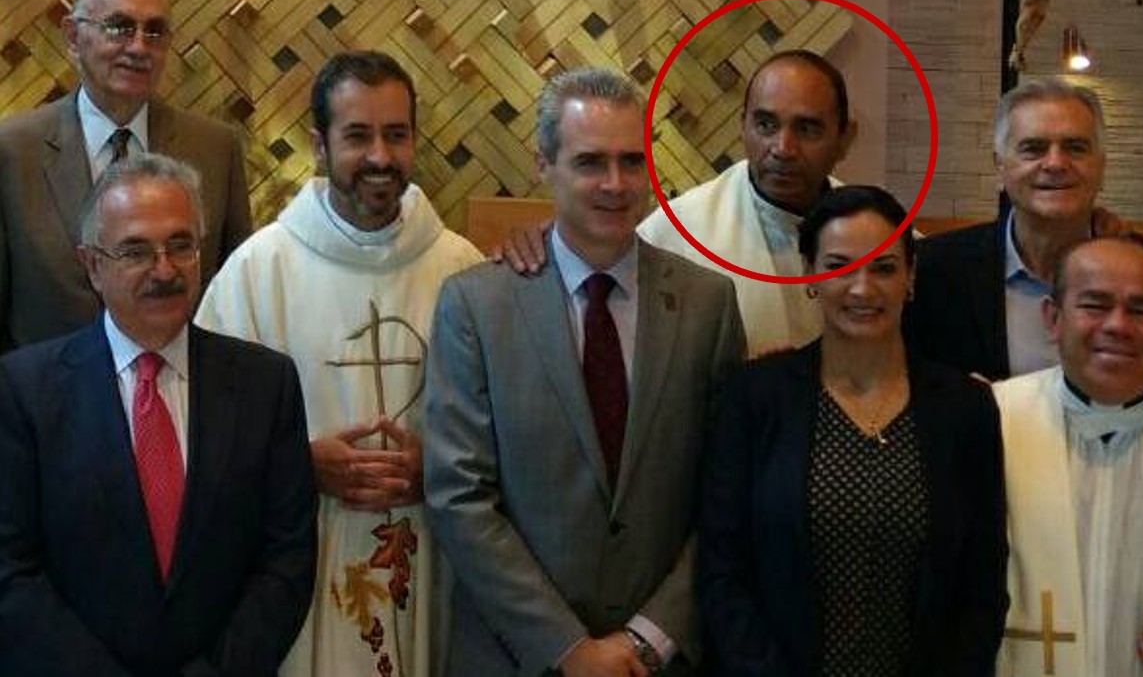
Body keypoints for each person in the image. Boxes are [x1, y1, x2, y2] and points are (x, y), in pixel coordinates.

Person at [424, 67, 746, 677]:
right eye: (590, 162)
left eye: (632, 161)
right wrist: (569, 649)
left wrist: (650, 637)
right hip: (517, 657)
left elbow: (727, 495)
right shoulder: (475, 306)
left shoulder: (708, 305)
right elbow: (459, 494)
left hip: (660, 661)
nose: (615, 184)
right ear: (543, 164)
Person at [195, 50, 482, 677]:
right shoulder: (258, 272)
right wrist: (298, 465)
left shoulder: (462, 269)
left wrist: (438, 466)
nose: (380, 156)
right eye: (357, 136)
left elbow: (506, 428)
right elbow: (205, 433)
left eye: (396, 134)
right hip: (300, 560)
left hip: (430, 556)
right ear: (319, 145)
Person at [0, 153, 315, 677]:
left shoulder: (267, 384)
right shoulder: (23, 391)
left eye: (180, 245)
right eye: (136, 251)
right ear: (92, 265)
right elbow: (11, 572)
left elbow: (287, 559)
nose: (164, 270)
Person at [701, 185, 1008, 676]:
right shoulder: (755, 398)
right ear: (810, 274)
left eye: (883, 268)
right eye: (840, 267)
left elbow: (982, 586)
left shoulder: (964, 409)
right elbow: (723, 572)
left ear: (911, 276)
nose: (862, 288)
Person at [505, 50, 855, 357]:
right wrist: (546, 241)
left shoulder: (871, 229)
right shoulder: (677, 230)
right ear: (743, 126)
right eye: (765, 124)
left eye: (807, 129)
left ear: (844, 138)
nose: (783, 148)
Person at [0, 0, 251, 353]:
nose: (138, 47)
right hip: (46, 387)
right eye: (119, 28)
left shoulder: (215, 149)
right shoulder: (13, 151)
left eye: (155, 32)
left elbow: (234, 298)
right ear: (73, 36)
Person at [907, 77, 1143, 398]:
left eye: (1075, 148)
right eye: (1033, 149)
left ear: (1101, 167)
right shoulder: (933, 269)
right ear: (1000, 168)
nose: (1056, 163)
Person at [993, 236, 1143, 677]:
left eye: (1142, 310)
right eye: (1095, 305)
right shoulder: (989, 421)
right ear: (1053, 319)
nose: (1118, 325)